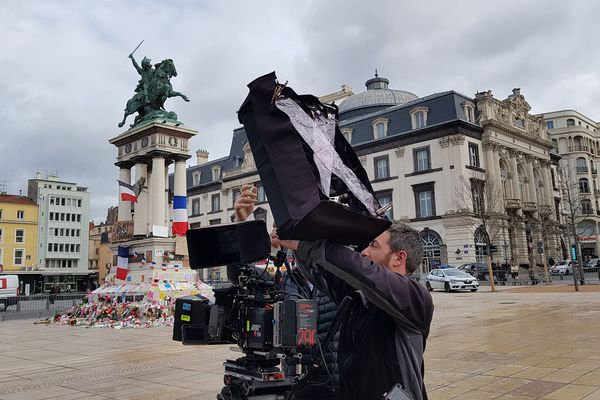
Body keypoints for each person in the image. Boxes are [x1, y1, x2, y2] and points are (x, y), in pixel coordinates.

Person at [274, 222, 434, 400]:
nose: (364, 252)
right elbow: (321, 273)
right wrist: (297, 239)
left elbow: (363, 271)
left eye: (374, 245)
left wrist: (306, 245)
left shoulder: (415, 298)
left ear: (398, 258)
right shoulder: (360, 299)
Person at [228, 183, 339, 400]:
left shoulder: (339, 280)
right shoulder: (283, 280)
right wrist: (241, 224)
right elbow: (239, 274)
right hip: (295, 384)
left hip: (339, 385)